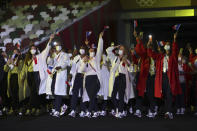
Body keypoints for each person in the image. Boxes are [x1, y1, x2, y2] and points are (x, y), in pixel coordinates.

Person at [147, 33, 182, 119]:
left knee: (169, 94)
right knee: (165, 95)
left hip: (170, 78)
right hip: (162, 77)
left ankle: (168, 112)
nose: (167, 47)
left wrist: (174, 40)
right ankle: (167, 110)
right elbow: (152, 54)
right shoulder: (160, 56)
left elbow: (175, 50)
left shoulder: (173, 56)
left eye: (168, 45)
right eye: (166, 45)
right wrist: (149, 46)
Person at [107, 44, 135, 118]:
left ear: (124, 51)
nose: (120, 50)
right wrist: (115, 47)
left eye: (122, 49)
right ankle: (120, 109)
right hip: (116, 77)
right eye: (120, 49)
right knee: (113, 96)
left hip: (123, 77)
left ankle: (120, 111)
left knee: (121, 96)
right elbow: (108, 50)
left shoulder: (126, 59)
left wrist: (127, 64)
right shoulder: (115, 58)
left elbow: (131, 70)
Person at [45, 38, 70, 117]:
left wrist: (60, 66)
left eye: (59, 45)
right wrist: (50, 55)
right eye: (56, 46)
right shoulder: (54, 55)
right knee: (53, 91)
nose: (57, 47)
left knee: (58, 92)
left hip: (61, 74)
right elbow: (49, 63)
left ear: (61, 47)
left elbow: (66, 63)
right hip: (55, 74)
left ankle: (57, 110)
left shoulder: (65, 54)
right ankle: (63, 106)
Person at [82, 32, 104, 118]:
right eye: (90, 50)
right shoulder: (86, 59)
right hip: (87, 78)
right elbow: (83, 69)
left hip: (95, 78)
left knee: (93, 95)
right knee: (91, 96)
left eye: (92, 50)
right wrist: (85, 62)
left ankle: (89, 111)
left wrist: (100, 38)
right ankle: (96, 111)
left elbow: (100, 49)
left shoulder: (96, 58)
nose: (91, 51)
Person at [69, 46, 87, 117]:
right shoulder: (76, 57)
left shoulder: (87, 57)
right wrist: (70, 75)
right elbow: (73, 67)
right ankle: (73, 110)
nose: (82, 49)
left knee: (83, 94)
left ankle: (83, 111)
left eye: (83, 48)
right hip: (77, 76)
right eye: (81, 48)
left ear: (85, 50)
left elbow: (88, 67)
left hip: (84, 76)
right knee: (74, 93)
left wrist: (84, 73)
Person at [4, 49, 24, 115]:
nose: (14, 54)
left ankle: (18, 108)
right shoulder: (11, 60)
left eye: (15, 53)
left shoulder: (20, 60)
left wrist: (13, 63)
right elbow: (5, 70)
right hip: (11, 77)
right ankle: (14, 108)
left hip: (17, 77)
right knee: (12, 93)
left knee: (16, 93)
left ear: (19, 53)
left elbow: (19, 70)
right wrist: (7, 63)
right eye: (13, 52)